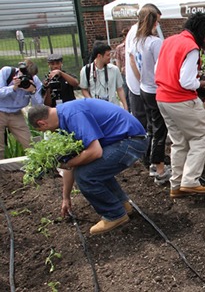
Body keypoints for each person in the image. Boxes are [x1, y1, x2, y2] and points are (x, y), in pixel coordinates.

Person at [28, 99, 148, 235]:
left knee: (86, 175)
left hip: (132, 142)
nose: (48, 132)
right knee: (92, 169)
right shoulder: (63, 116)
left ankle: (115, 215)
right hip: (123, 140)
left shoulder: (72, 115)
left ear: (41, 123)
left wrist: (68, 163)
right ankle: (122, 205)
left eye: (44, 130)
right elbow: (71, 165)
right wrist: (66, 197)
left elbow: (95, 152)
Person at [155, 12, 205, 198]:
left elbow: (157, 69)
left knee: (179, 141)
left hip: (162, 98)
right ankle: (190, 180)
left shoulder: (169, 41)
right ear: (203, 32)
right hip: (180, 99)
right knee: (203, 135)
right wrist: (204, 84)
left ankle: (175, 185)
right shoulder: (191, 47)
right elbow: (186, 82)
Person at [131, 3, 171, 185]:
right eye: (158, 21)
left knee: (151, 128)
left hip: (144, 88)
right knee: (160, 130)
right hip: (156, 90)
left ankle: (150, 163)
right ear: (154, 21)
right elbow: (162, 68)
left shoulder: (137, 40)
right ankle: (160, 169)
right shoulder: (155, 43)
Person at [0, 60, 43, 158]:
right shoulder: (7, 72)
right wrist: (13, 87)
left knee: (29, 143)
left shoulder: (34, 80)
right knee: (0, 148)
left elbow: (38, 105)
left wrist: (33, 92)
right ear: (19, 70)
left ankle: (37, 168)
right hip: (1, 111)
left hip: (16, 113)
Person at [80, 42, 128, 110]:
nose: (110, 57)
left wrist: (125, 106)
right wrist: (92, 102)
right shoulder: (86, 70)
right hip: (96, 109)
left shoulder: (114, 69)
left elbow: (120, 89)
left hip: (113, 108)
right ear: (99, 56)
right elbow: (84, 89)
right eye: (107, 55)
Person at [114, 28, 130, 112]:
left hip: (132, 73)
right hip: (124, 72)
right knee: (125, 93)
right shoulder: (119, 48)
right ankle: (127, 109)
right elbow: (118, 60)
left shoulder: (133, 45)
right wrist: (119, 72)